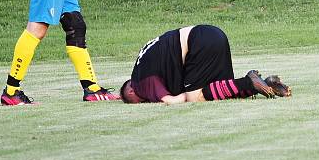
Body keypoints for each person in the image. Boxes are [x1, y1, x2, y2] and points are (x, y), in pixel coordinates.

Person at [120, 25, 291, 104]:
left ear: (130, 90)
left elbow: (171, 100)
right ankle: (265, 84)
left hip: (197, 42)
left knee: (195, 98)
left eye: (138, 101)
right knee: (221, 91)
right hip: (212, 33)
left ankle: (249, 81)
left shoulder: (140, 82)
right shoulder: (143, 62)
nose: (144, 101)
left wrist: (185, 95)